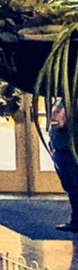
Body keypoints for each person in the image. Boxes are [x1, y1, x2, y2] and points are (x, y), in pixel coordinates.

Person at [45, 97, 78, 231]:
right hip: (61, 150)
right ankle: (75, 220)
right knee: (71, 187)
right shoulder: (61, 99)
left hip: (71, 151)